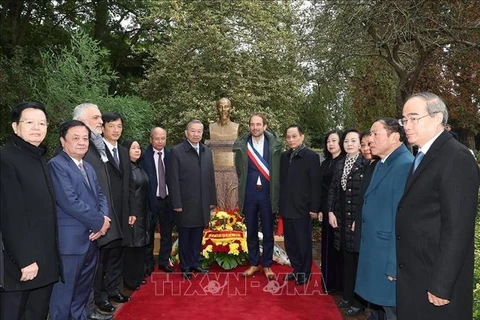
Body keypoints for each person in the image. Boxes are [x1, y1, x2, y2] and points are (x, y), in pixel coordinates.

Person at [396, 92, 480, 320]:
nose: (407, 125)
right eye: (404, 120)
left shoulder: (457, 157)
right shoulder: (423, 155)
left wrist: (442, 283)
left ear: (437, 118)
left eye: (414, 118)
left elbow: (459, 228)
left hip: (436, 280)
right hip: (416, 272)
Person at [0, 102, 62, 320]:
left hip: (44, 261)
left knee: (36, 313)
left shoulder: (39, 157)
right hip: (20, 266)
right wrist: (25, 259)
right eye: (30, 122)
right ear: (15, 127)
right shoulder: (6, 158)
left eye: (42, 123)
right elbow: (10, 214)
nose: (37, 127)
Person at [48, 120, 110, 320]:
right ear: (63, 141)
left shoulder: (88, 167)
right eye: (76, 138)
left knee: (81, 296)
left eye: (85, 138)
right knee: (63, 298)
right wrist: (99, 222)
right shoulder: (56, 165)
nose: (82, 142)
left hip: (91, 241)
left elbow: (100, 196)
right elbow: (70, 202)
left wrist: (104, 220)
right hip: (70, 245)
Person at [355, 118, 414, 320]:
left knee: (392, 312)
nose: (370, 139)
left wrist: (394, 264)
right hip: (376, 252)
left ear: (395, 137)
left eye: (375, 134)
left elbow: (402, 222)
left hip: (387, 258)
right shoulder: (384, 162)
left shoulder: (403, 165)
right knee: (379, 310)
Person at [73, 103, 116, 320]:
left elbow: (100, 190)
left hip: (97, 225)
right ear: (80, 121)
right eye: (96, 117)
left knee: (91, 275)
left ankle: (89, 312)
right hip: (82, 229)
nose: (101, 121)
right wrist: (97, 221)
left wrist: (104, 219)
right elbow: (74, 197)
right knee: (80, 279)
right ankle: (85, 313)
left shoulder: (95, 147)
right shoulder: (74, 151)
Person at [92, 112, 134, 310]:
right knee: (104, 256)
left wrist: (131, 211)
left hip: (123, 211)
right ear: (103, 128)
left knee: (118, 253)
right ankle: (100, 297)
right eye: (111, 126)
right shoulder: (96, 152)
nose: (116, 130)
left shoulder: (124, 151)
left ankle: (113, 290)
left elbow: (129, 184)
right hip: (106, 213)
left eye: (119, 126)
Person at [233, 113, 282, 280]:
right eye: (252, 124)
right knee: (251, 230)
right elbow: (239, 170)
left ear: (265, 126)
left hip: (268, 193)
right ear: (249, 126)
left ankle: (267, 264)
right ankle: (254, 263)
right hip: (250, 193)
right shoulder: (242, 144)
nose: (255, 127)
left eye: (258, 124)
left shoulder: (274, 145)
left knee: (268, 231)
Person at [327, 128, 369, 317]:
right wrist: (330, 211)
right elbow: (333, 190)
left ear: (360, 143)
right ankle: (346, 296)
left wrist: (359, 219)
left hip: (356, 219)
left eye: (353, 140)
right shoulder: (340, 164)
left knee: (357, 260)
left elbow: (367, 196)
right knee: (345, 256)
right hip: (341, 216)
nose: (349, 144)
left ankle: (358, 302)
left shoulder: (366, 164)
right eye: (346, 141)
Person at [168, 120, 217, 279]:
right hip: (185, 203)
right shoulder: (177, 151)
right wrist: (176, 203)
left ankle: (195, 263)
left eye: (199, 131)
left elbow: (210, 178)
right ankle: (185, 267)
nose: (196, 134)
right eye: (193, 131)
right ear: (186, 132)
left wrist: (212, 200)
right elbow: (173, 179)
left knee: (198, 235)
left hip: (202, 203)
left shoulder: (207, 152)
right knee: (185, 237)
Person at [279, 125, 321, 285]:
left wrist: (314, 208)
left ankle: (305, 272)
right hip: (287, 207)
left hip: (303, 208)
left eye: (294, 136)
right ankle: (296, 270)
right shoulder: (284, 157)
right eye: (288, 137)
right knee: (290, 243)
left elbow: (315, 184)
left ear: (302, 137)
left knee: (303, 243)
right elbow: (282, 182)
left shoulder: (311, 157)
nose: (291, 139)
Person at [354, 129, 384, 320]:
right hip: (363, 225)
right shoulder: (366, 166)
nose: (367, 148)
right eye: (363, 144)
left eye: (369, 143)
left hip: (378, 232)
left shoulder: (382, 166)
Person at [140, 127, 176, 275]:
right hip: (150, 200)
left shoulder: (171, 155)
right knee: (149, 232)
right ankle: (148, 264)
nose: (160, 141)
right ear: (151, 139)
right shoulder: (143, 156)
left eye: (163, 138)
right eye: (157, 138)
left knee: (167, 233)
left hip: (167, 200)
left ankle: (163, 261)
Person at [121, 139, 151, 291]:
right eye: (133, 148)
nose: (137, 150)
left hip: (143, 212)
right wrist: (129, 212)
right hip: (132, 213)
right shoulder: (125, 169)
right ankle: (130, 280)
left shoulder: (139, 168)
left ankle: (138, 276)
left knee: (140, 245)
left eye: (138, 147)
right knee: (131, 247)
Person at [319, 129, 344, 293]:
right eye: (328, 141)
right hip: (326, 209)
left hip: (338, 211)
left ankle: (338, 284)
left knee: (337, 249)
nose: (331, 144)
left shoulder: (343, 162)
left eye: (334, 141)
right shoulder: (325, 162)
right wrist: (321, 209)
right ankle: (327, 281)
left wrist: (332, 209)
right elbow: (322, 189)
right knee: (326, 246)